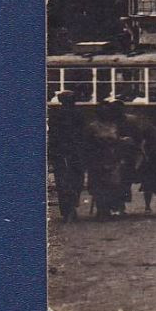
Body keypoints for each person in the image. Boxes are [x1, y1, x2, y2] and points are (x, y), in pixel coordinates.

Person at [48, 90, 87, 223]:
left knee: (66, 181)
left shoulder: (57, 115)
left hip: (68, 152)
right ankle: (70, 208)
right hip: (68, 152)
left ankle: (69, 209)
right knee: (71, 180)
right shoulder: (74, 115)